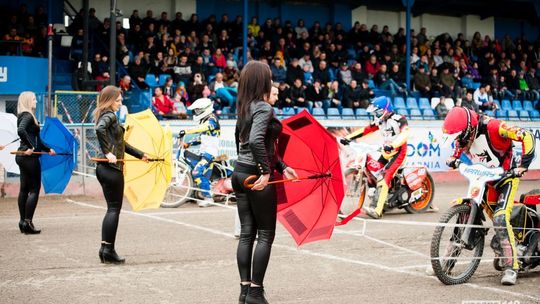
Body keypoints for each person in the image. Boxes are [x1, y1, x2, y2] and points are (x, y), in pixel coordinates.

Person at [441, 107, 536, 285]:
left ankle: (511, 267)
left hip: (506, 177)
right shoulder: (464, 136)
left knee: (500, 218)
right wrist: (454, 157)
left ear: (469, 130)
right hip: (484, 179)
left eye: (460, 137)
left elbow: (527, 136)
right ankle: (446, 262)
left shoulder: (494, 126)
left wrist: (523, 165)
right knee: (466, 211)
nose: (459, 142)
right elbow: (458, 144)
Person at [233, 61, 298, 304]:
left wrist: (282, 166)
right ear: (262, 81)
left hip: (239, 172)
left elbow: (246, 142)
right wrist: (266, 172)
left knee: (247, 234)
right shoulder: (262, 108)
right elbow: (256, 141)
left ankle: (244, 290)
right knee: (266, 234)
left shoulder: (244, 106)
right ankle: (256, 292)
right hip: (254, 174)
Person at [94, 86, 149, 264]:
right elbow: (99, 129)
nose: (120, 103)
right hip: (111, 169)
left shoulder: (107, 115)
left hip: (105, 169)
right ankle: (108, 249)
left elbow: (121, 143)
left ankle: (105, 248)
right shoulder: (109, 115)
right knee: (113, 209)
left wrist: (141, 155)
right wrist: (108, 153)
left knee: (111, 208)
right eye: (117, 100)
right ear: (109, 100)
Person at [340, 96, 409, 219]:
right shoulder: (380, 121)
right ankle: (379, 197)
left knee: (384, 178)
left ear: (386, 110)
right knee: (375, 171)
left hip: (398, 153)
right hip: (386, 153)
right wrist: (348, 137)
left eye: (378, 112)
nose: (376, 114)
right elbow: (366, 130)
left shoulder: (400, 119)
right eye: (375, 112)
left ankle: (377, 211)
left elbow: (405, 134)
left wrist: (393, 145)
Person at [15, 92, 56, 234]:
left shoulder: (24, 116)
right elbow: (21, 131)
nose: (36, 101)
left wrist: (47, 148)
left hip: (22, 156)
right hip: (28, 157)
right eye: (33, 99)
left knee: (24, 190)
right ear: (27, 101)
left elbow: (37, 139)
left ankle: (22, 222)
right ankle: (28, 222)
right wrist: (31, 147)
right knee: (34, 190)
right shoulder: (27, 116)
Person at [178, 97, 221, 207]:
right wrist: (188, 144)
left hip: (210, 153)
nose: (195, 113)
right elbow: (202, 138)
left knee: (197, 172)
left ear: (204, 109)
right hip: (204, 152)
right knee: (203, 175)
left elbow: (204, 128)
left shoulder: (212, 119)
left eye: (197, 110)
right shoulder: (205, 119)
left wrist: (186, 131)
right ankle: (197, 194)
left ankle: (208, 199)